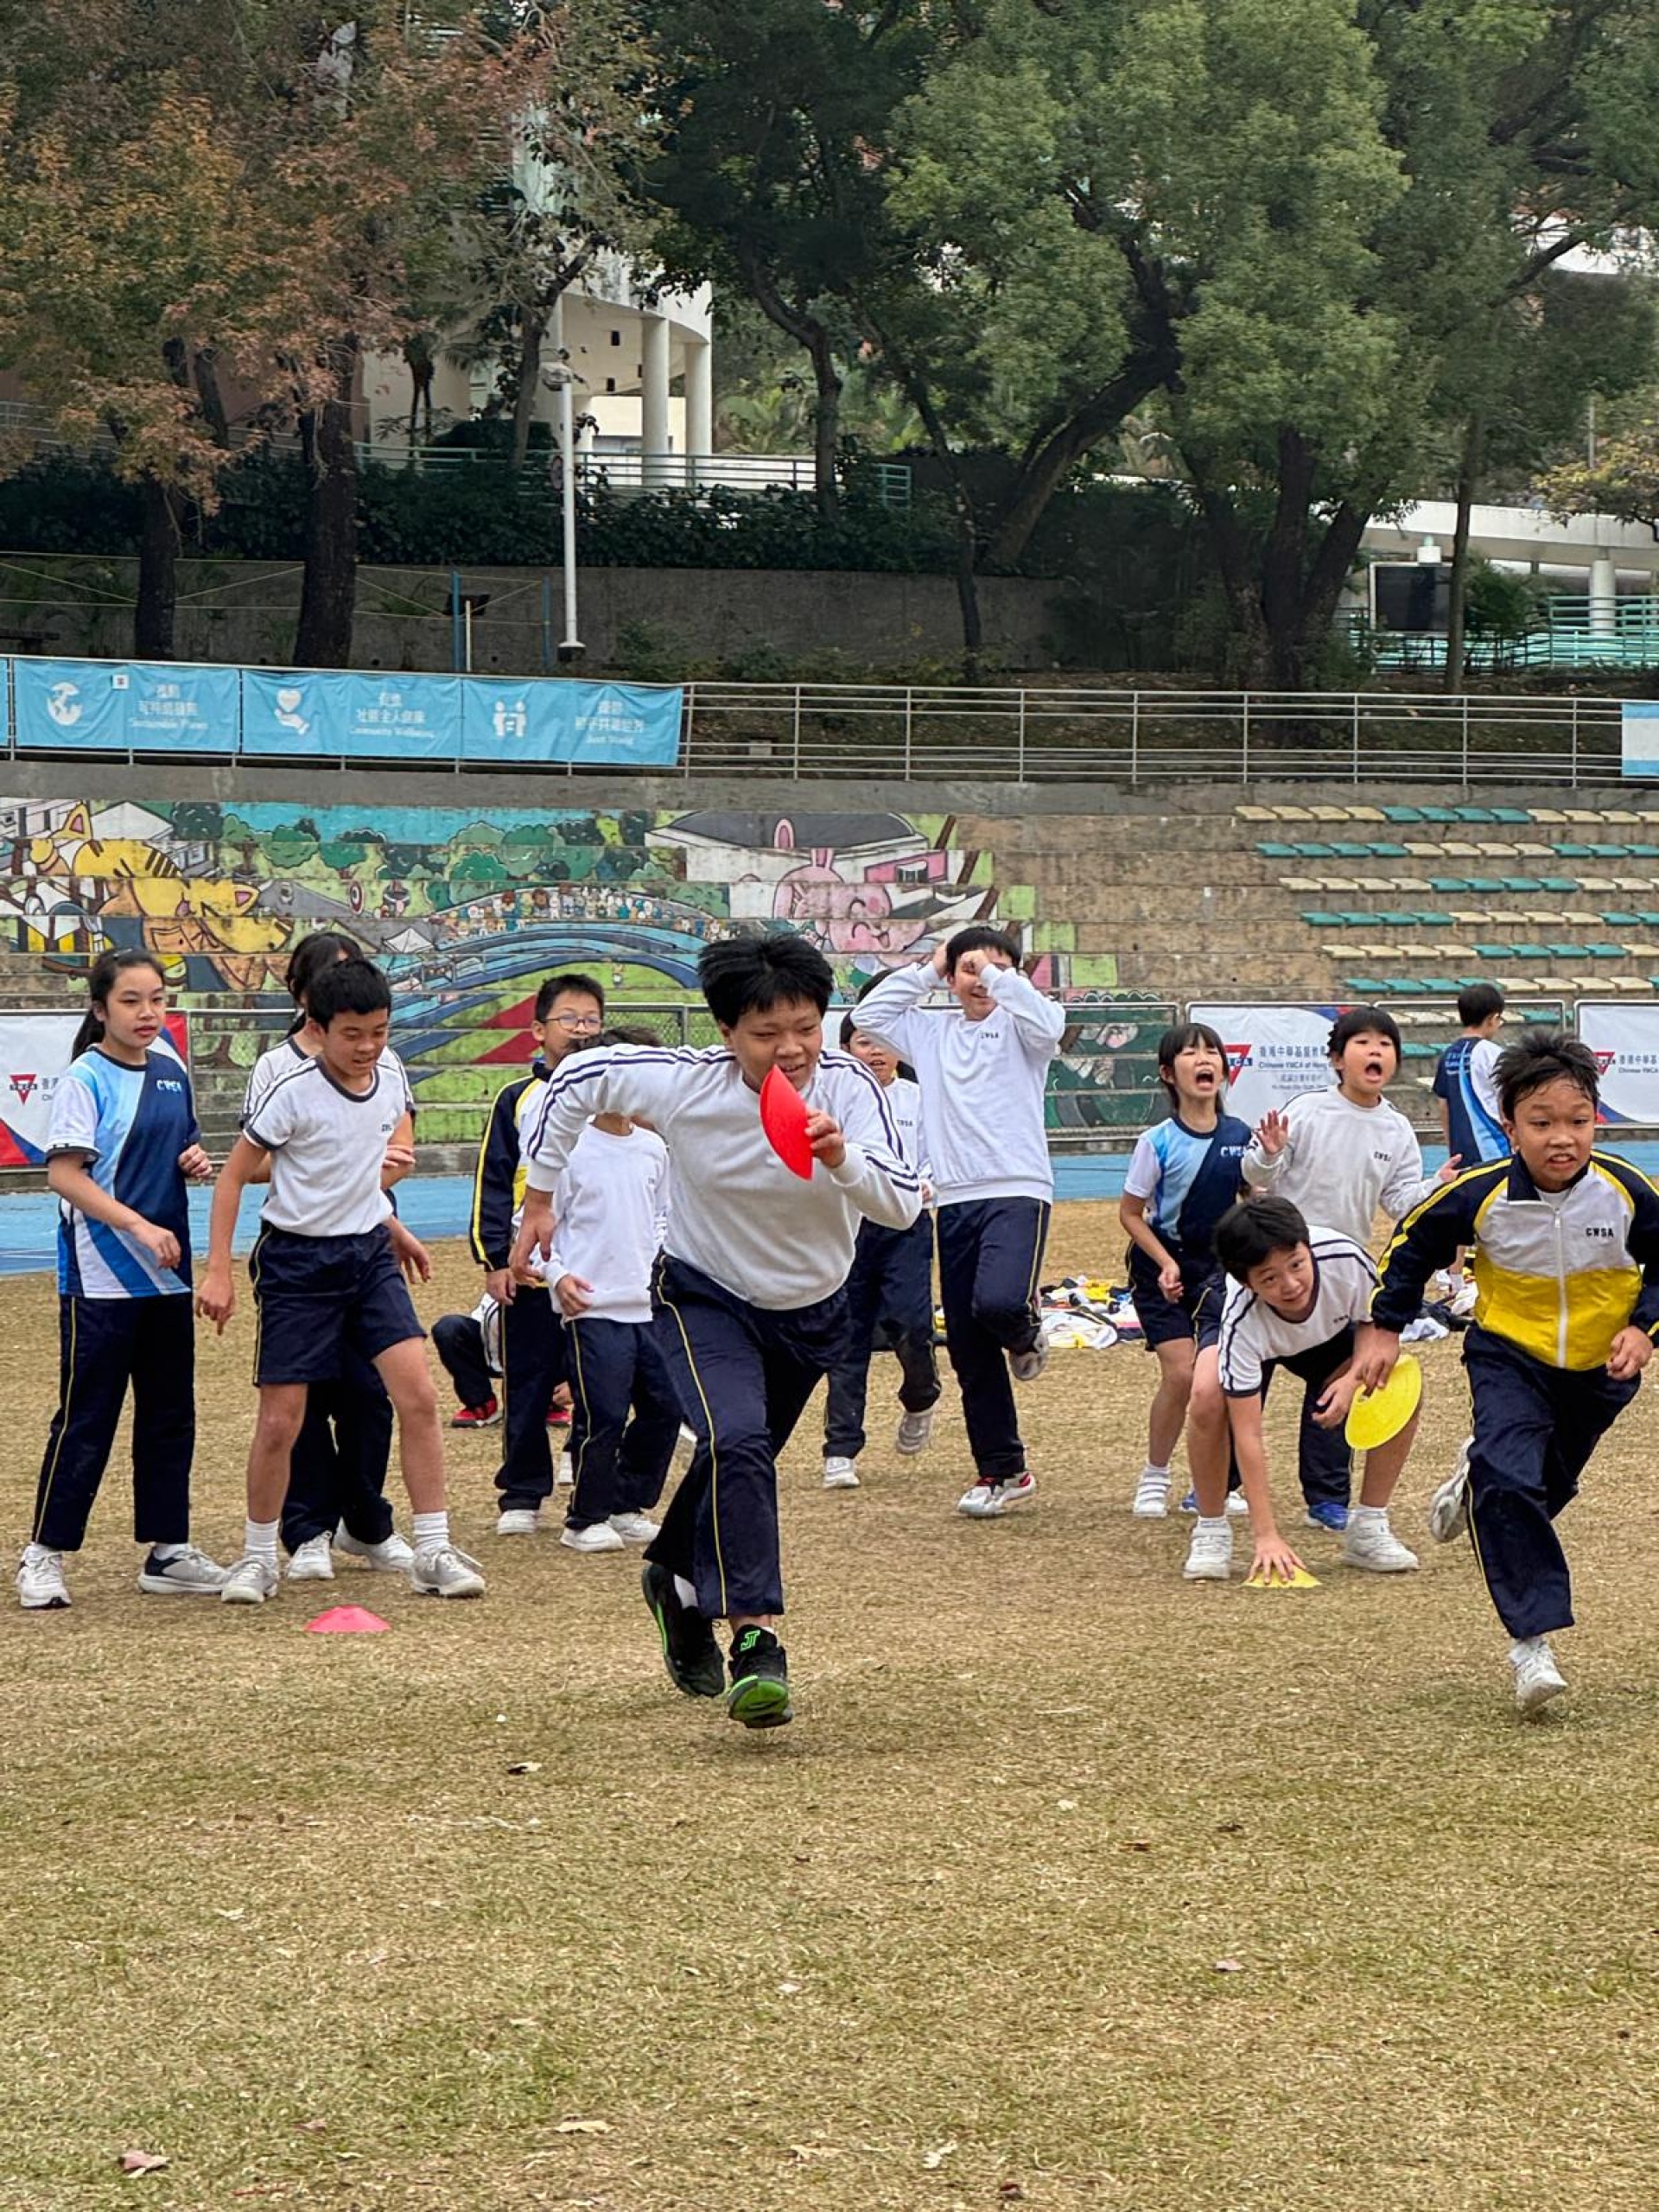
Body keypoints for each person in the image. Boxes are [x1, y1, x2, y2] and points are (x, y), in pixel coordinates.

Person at [512, 931, 921, 1728]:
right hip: (705, 1297)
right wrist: (541, 1194)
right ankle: (757, 1642)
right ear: (727, 1031)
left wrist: (842, 1158)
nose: (791, 1049)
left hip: (813, 1310)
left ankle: (670, 1576)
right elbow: (576, 1080)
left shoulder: (850, 1088)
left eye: (805, 1027)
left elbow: (903, 1205)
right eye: (766, 1033)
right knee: (735, 1441)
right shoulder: (684, 1082)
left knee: (742, 1456)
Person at [1362, 1029, 1659, 1716]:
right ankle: (1532, 1646)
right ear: (1510, 1127)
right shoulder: (1480, 1193)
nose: (1563, 1139)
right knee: (1510, 1480)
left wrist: (1642, 1330)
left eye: (1578, 1121)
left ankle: (1478, 1482)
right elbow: (1411, 1246)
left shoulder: (1626, 1191)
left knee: (1537, 1490)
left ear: (1596, 1120)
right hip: (1509, 1356)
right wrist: (1384, 1327)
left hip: (1599, 1370)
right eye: (1542, 1123)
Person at [196, 957, 485, 1604]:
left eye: (379, 1032)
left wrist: (393, 1227)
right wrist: (218, 1269)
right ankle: (258, 1557)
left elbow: (354, 1171)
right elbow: (233, 1177)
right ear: (318, 1028)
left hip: (369, 1257)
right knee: (282, 1419)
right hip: (298, 1263)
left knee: (418, 1396)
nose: (367, 1047)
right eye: (352, 1034)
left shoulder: (390, 1079)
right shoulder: (291, 1091)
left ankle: (433, 1549)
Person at [17, 950, 226, 1610]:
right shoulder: (85, 1078)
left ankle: (168, 1551)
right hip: (101, 1279)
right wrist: (137, 1225)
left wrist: (193, 1161)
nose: (147, 1012)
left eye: (157, 999)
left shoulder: (171, 1070)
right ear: (100, 1008)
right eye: (131, 1000)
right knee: (87, 1418)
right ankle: (43, 1553)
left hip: (166, 1279)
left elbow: (179, 1146)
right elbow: (65, 1175)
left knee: (170, 1417)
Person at [856, 926, 1065, 1519]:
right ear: (950, 979)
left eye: (996, 969)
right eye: (969, 971)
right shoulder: (932, 1033)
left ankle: (1025, 1332)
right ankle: (1003, 1470)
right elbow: (870, 1015)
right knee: (969, 1347)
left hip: (1017, 1187)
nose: (981, 980)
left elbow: (1050, 1025)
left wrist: (995, 974)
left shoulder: (1023, 1028)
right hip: (953, 1197)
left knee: (998, 1302)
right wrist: (932, 968)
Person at [241, 931, 416, 1584]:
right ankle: (305, 1528)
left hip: (365, 1240)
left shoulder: (384, 1063)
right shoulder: (278, 1072)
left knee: (373, 1393)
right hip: (302, 1250)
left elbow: (397, 1148)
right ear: (306, 1000)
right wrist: (321, 1165)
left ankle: (368, 1522)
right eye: (332, 981)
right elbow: (256, 1164)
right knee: (300, 1403)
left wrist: (381, 1191)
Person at [1240, 1005, 1446, 1532]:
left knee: (1339, 1377)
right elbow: (1258, 1173)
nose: (1375, 1051)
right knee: (1248, 1374)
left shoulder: (1397, 1129)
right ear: (1337, 1059)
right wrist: (1269, 1154)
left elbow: (1400, 1201)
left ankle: (1328, 1498)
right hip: (1281, 1269)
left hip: (1339, 1280)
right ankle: (1220, 1485)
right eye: (1363, 1043)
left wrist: (1435, 1188)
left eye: (1385, 1044)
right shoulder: (1307, 1111)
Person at [1211, 1195, 1421, 1586]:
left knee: (1393, 1378)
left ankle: (1368, 1526)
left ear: (1308, 1247)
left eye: (1296, 1265)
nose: (1290, 1285)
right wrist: (1266, 1536)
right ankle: (1210, 1524)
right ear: (1246, 1282)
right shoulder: (1241, 1318)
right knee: (1207, 1397)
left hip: (1327, 1334)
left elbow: (1376, 1325)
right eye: (1269, 1278)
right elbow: (1248, 1434)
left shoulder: (1346, 1258)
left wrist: (1352, 1380)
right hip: (1263, 1338)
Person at [470, 972, 605, 1534]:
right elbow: (492, 1181)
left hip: (596, 1266)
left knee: (599, 1379)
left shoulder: (612, 1098)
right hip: (532, 1269)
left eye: (591, 1020)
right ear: (538, 1030)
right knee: (527, 1381)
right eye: (568, 1019)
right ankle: (522, 1493)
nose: (580, 1029)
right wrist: (496, 1260)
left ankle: (590, 1476)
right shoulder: (515, 1100)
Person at [545, 1027, 680, 1555]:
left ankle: (628, 1504)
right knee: (603, 1413)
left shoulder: (653, 1149)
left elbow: (664, 1215)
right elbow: (533, 1228)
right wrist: (558, 1276)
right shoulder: (569, 1151)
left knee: (665, 1407)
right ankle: (584, 1518)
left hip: (649, 1308)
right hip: (593, 1308)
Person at [1119, 1023, 1251, 1535]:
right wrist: (1165, 1264)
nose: (1204, 1060)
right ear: (1167, 1073)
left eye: (1212, 1052)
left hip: (1218, 1270)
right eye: (1191, 1053)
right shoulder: (1156, 1141)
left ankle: (1212, 1486)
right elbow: (1131, 1214)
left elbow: (1254, 1200)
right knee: (1180, 1373)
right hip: (1160, 1266)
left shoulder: (1241, 1137)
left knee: (1214, 1378)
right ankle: (1154, 1475)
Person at [820, 1012, 940, 1491]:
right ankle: (840, 1449)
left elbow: (935, 1157)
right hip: (848, 1227)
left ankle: (921, 1395)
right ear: (846, 1050)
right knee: (847, 1337)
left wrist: (924, 1186)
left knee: (910, 1324)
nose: (875, 1052)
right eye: (864, 1042)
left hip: (905, 1224)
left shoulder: (919, 1098)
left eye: (884, 1043)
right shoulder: (834, 1100)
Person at [1431, 983, 1509, 1313]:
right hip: (1493, 1145)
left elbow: (1444, 1105)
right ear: (1492, 1018)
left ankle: (1454, 1278)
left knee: (1462, 1212)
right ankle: (1499, 1273)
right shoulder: (1492, 1054)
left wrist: (1451, 1143)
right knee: (1499, 1209)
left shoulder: (1448, 1055)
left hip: (1461, 1147)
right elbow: (1505, 1100)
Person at [433, 1294, 502, 1427]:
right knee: (449, 1329)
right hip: (494, 1341)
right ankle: (480, 1402)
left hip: (535, 1349)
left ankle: (543, 1401)